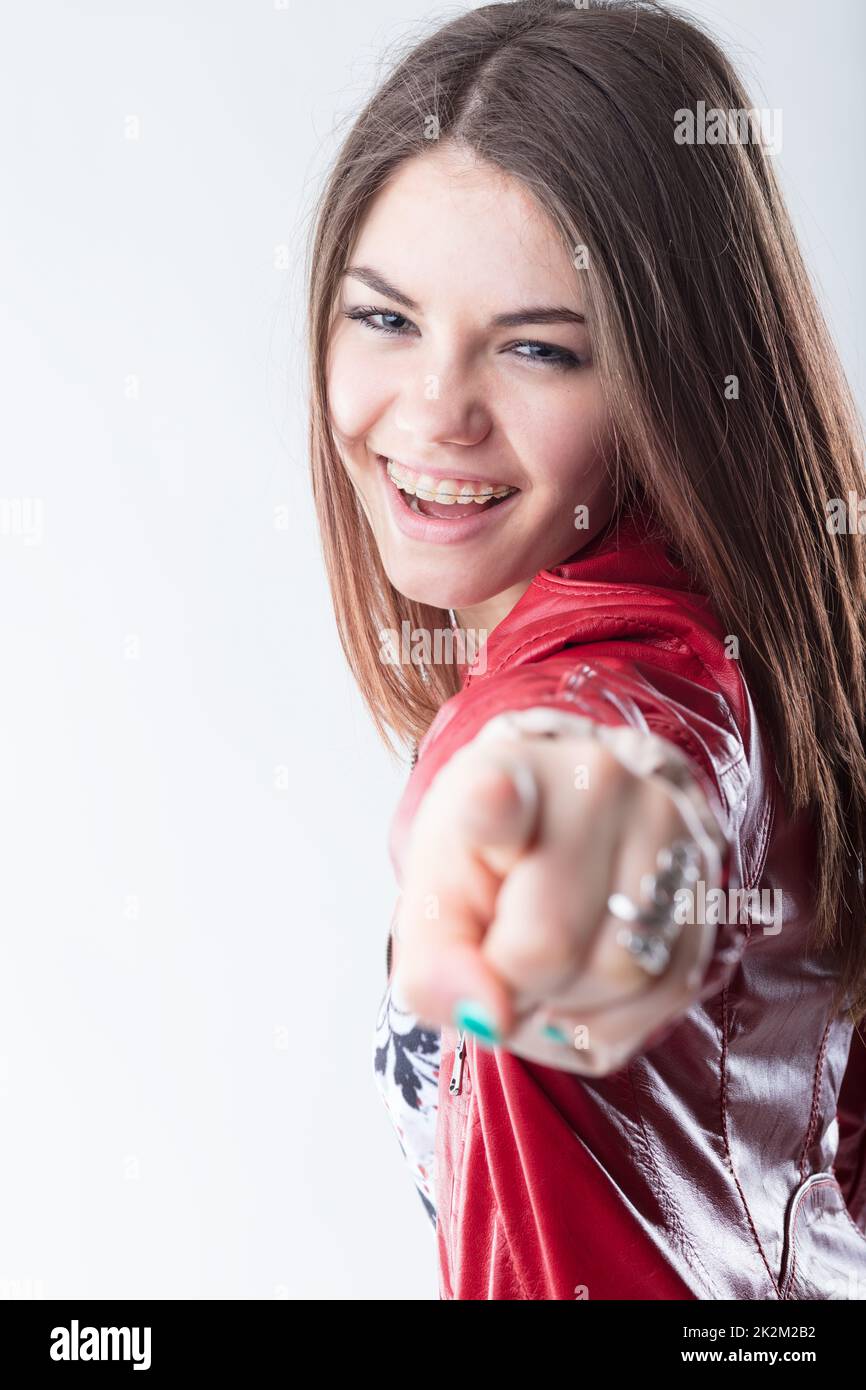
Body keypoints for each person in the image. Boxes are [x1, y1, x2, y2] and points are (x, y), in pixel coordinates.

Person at [307, 0, 866, 1298]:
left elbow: (614, 735)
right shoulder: (781, 637)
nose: (433, 410)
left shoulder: (649, 655)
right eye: (385, 320)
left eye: (538, 347)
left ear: (670, 377)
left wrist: (575, 807)